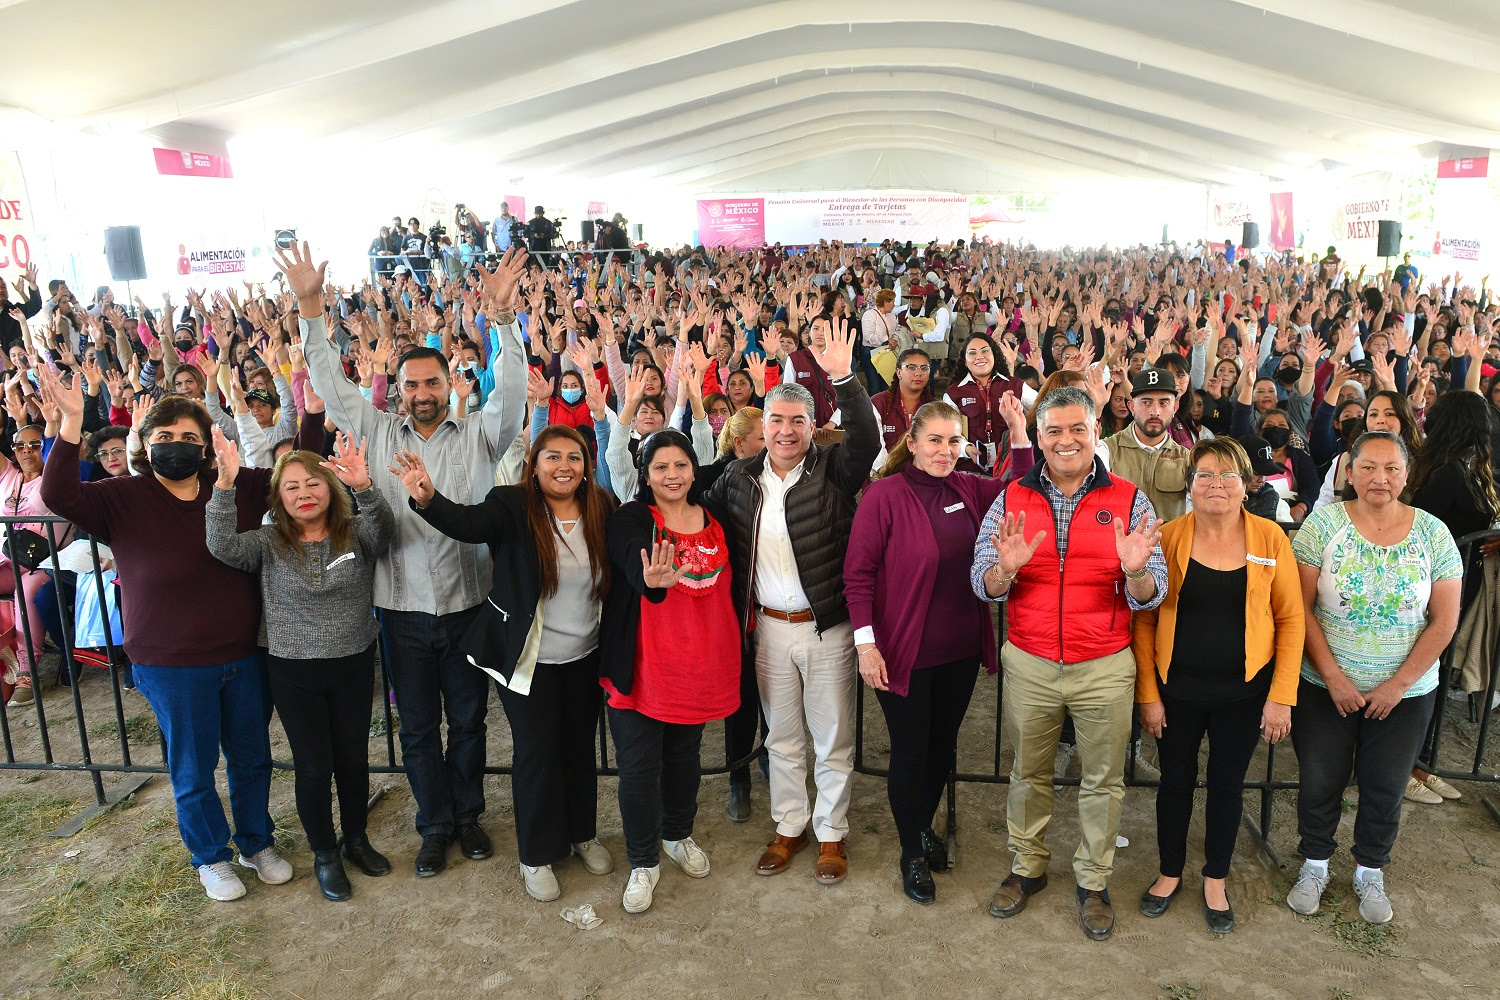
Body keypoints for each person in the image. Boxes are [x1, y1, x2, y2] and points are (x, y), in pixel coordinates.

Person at [284, 240, 528, 877]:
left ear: (451, 385)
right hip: (399, 611)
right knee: (418, 729)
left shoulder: (481, 434)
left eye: (433, 382)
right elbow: (332, 387)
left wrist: (502, 322)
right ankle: (434, 825)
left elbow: (513, 390)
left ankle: (470, 816)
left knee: (471, 721)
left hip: (471, 603)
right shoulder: (375, 429)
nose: (422, 393)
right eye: (412, 383)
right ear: (398, 389)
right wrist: (311, 309)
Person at [40, 379, 293, 902]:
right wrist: (68, 427)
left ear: (207, 444)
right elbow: (58, 495)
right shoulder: (120, 497)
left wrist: (310, 414)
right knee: (193, 766)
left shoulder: (236, 484)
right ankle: (211, 857)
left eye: (188, 435)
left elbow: (298, 475)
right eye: (164, 434)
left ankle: (256, 842)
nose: (176, 443)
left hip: (242, 654)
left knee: (252, 757)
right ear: (146, 441)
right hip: (170, 661)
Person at [971, 385, 1166, 941]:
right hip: (1031, 660)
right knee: (1028, 772)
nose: (1065, 440)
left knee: (1103, 780)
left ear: (1095, 431)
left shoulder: (1130, 499)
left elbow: (1153, 593)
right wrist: (1003, 572)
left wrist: (1134, 572)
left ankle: (1094, 879)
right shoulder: (1010, 498)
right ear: (1038, 436)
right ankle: (1026, 867)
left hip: (1103, 663)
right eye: (1053, 430)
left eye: (1076, 429)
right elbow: (981, 584)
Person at [391, 426, 617, 903]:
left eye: (573, 457)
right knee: (536, 754)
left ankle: (582, 834)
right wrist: (429, 498)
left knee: (578, 749)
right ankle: (536, 854)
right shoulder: (511, 505)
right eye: (551, 457)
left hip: (584, 656)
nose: (563, 467)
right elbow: (469, 525)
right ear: (533, 465)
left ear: (586, 464)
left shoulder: (601, 505)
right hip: (527, 660)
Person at [706, 322, 880, 886]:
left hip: (826, 627)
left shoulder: (834, 471)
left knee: (832, 738)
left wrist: (844, 379)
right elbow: (694, 516)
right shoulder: (738, 477)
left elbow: (868, 441)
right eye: (775, 420)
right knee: (781, 736)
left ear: (813, 427)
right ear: (762, 422)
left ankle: (831, 834)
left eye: (797, 421)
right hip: (769, 631)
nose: (784, 431)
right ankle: (789, 825)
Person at [205, 431, 396, 902]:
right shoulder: (267, 542)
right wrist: (224, 487)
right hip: (293, 669)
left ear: (330, 488)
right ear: (278, 497)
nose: (304, 494)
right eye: (292, 487)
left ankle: (356, 840)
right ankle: (325, 853)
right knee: (314, 767)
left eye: (314, 483)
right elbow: (221, 546)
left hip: (352, 662)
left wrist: (365, 486)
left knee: (352, 760)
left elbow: (385, 532)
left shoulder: (355, 533)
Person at [1286, 432, 1462, 925]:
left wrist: (1398, 685)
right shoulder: (1322, 525)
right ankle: (1315, 863)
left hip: (1406, 691)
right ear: (1349, 472)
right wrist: (1334, 676)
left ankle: (1370, 870)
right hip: (1324, 686)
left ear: (1408, 474)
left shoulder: (1434, 533)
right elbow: (1299, 609)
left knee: (1385, 783)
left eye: (1390, 468)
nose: (1378, 478)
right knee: (1321, 778)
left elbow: (1444, 620)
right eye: (1367, 467)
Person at [1132, 438, 1305, 933]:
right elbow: (1143, 621)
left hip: (1244, 694)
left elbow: (1291, 620)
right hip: (1176, 692)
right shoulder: (1167, 537)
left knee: (1227, 786)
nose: (1216, 485)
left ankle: (1215, 877)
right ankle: (1169, 872)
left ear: (1247, 485)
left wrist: (1281, 697)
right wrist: (1147, 692)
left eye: (1228, 475)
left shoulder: (1271, 539)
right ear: (1189, 485)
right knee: (1174, 783)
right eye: (1205, 475)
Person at [844, 401, 1005, 903]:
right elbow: (858, 575)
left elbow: (1019, 492)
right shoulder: (883, 496)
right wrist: (866, 645)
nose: (945, 450)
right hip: (902, 653)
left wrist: (1019, 434)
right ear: (911, 443)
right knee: (911, 751)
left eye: (954, 441)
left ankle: (919, 827)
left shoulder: (968, 487)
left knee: (941, 748)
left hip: (957, 651)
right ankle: (911, 849)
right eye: (934, 440)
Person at [601, 429, 740, 914]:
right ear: (646, 474)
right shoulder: (633, 517)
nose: (673, 475)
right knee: (639, 766)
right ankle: (643, 860)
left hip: (700, 662)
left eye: (681, 465)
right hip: (644, 666)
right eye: (661, 467)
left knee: (685, 757)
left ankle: (678, 834)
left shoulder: (715, 513)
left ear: (694, 469)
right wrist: (650, 580)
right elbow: (630, 551)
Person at [1404, 390, 1496, 804]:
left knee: (1436, 676)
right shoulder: (1445, 472)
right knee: (1421, 672)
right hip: (1433, 589)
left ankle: (1422, 762)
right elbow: (1432, 535)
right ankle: (1404, 764)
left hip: (1461, 584)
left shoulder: (1467, 467)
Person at [0, 422, 69, 707]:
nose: (27, 450)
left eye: (35, 444)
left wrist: (52, 424)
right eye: (20, 446)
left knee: (26, 591)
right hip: (9, 561)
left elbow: (59, 453)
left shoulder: (56, 478)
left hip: (47, 563)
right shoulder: (10, 477)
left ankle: (27, 672)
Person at [1100, 367, 1192, 521]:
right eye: (1146, 402)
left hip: (1167, 544)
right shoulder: (1108, 450)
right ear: (1132, 407)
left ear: (1175, 408)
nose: (1155, 412)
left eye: (1163, 403)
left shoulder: (1186, 458)